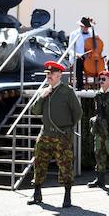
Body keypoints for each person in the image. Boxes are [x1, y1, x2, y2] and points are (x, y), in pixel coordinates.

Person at [28, 61, 83, 208]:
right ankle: (37, 193)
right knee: (39, 162)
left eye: (52, 74)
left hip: (62, 135)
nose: (49, 76)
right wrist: (42, 96)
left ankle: (67, 195)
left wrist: (68, 128)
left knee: (65, 164)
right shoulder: (44, 91)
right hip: (45, 133)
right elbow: (35, 111)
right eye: (47, 74)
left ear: (59, 75)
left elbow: (78, 113)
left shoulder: (67, 91)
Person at [69, 17, 93, 90]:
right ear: (81, 26)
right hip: (78, 57)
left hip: (89, 58)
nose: (86, 29)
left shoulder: (92, 34)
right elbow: (70, 49)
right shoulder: (74, 34)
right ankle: (80, 85)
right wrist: (76, 54)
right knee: (78, 62)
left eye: (88, 27)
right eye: (85, 27)